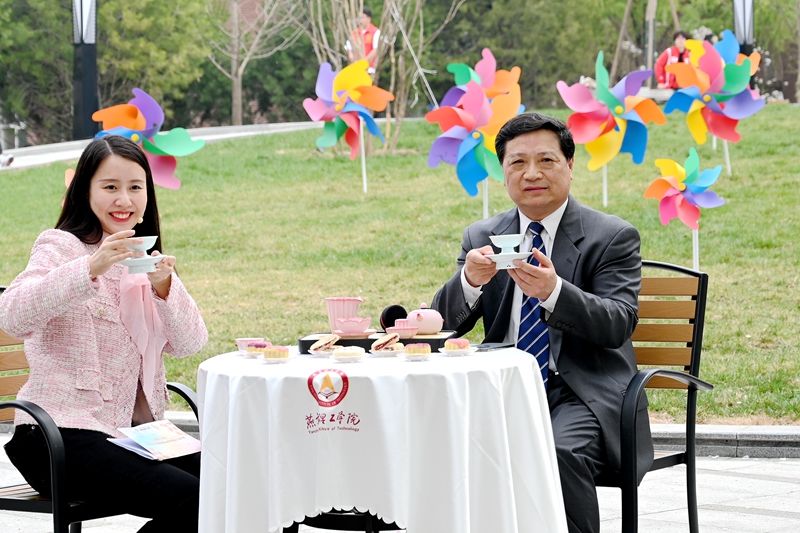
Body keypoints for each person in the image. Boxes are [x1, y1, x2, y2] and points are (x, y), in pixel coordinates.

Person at [431, 113, 653, 533]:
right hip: (500, 389)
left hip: (581, 392)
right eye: (517, 162)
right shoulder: (483, 236)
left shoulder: (611, 236)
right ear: (503, 172)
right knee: (435, 443)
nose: (531, 173)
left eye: (546, 160)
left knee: (557, 452)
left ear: (570, 165)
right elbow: (441, 327)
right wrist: (470, 281)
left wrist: (554, 292)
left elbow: (618, 323)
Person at [0, 135, 208, 532]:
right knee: (194, 499)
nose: (124, 200)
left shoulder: (146, 259)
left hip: (133, 436)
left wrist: (166, 288)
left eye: (135, 187)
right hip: (57, 436)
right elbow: (12, 315)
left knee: (236, 485)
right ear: (86, 192)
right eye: (110, 187)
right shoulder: (61, 246)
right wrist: (90, 268)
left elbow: (190, 344)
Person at [346, 7, 380, 73]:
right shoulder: (354, 33)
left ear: (369, 18)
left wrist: (363, 62)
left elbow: (375, 50)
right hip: (355, 69)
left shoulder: (375, 32)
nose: (360, 20)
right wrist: (354, 61)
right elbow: (350, 50)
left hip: (369, 69)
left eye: (362, 17)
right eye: (359, 17)